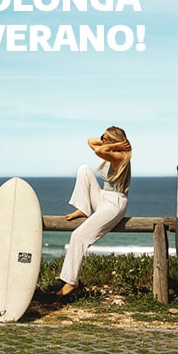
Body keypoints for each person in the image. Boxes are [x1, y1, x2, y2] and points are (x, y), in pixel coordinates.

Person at [56, 126, 132, 297]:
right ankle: (83, 209)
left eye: (105, 138)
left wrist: (115, 146)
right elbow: (90, 141)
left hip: (114, 203)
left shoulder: (119, 156)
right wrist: (114, 142)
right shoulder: (113, 149)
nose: (102, 140)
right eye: (102, 137)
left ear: (113, 141)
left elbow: (99, 151)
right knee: (84, 168)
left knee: (78, 236)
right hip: (103, 197)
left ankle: (71, 282)